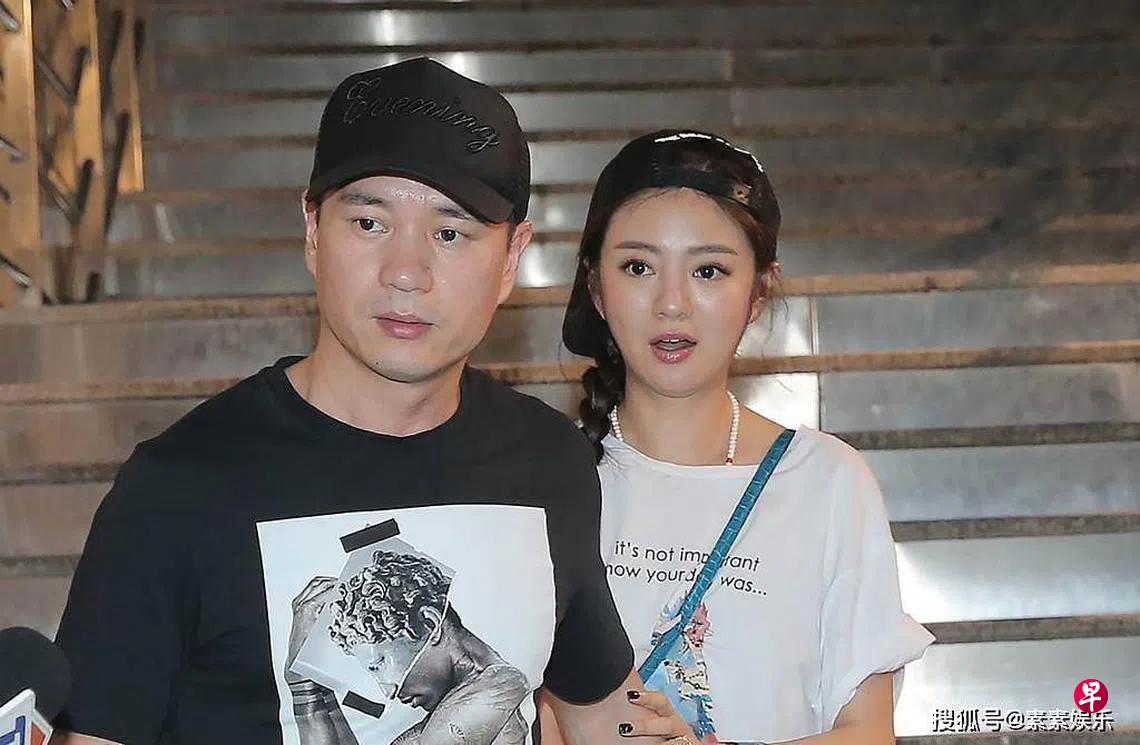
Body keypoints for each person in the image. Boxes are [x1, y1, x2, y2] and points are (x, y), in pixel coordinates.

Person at [49, 57, 691, 745]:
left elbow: (607, 711)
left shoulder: (548, 461)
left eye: (450, 233)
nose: (406, 273)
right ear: (312, 231)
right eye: (368, 223)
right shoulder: (175, 489)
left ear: (511, 258)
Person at [540, 130, 935, 745]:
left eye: (709, 270)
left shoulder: (825, 480)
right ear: (595, 287)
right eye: (638, 267)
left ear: (758, 291)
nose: (672, 304)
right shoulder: (544, 479)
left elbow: (868, 733)